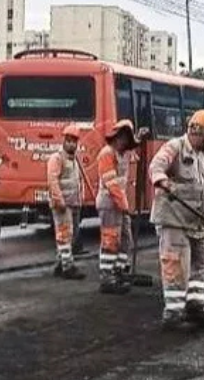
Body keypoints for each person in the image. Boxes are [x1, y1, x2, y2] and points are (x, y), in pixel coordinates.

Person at [149, 109, 204, 330]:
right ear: (197, 130)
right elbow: (156, 166)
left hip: (197, 219)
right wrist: (165, 182)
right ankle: (173, 314)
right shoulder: (175, 147)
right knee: (177, 265)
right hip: (174, 218)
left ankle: (196, 306)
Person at [95, 120, 142, 294]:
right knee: (110, 239)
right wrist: (124, 205)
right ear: (116, 137)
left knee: (125, 238)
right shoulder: (107, 154)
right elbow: (111, 183)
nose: (124, 141)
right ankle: (107, 277)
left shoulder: (125, 153)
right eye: (122, 137)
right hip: (109, 202)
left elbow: (138, 155)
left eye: (127, 138)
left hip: (120, 203)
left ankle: (119, 270)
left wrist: (140, 139)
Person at [46, 124, 86, 280]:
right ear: (64, 141)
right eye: (69, 140)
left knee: (69, 236)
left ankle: (60, 265)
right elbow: (52, 181)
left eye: (74, 141)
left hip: (73, 203)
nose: (71, 144)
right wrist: (59, 201)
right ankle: (68, 267)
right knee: (64, 235)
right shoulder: (57, 158)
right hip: (62, 205)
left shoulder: (75, 159)